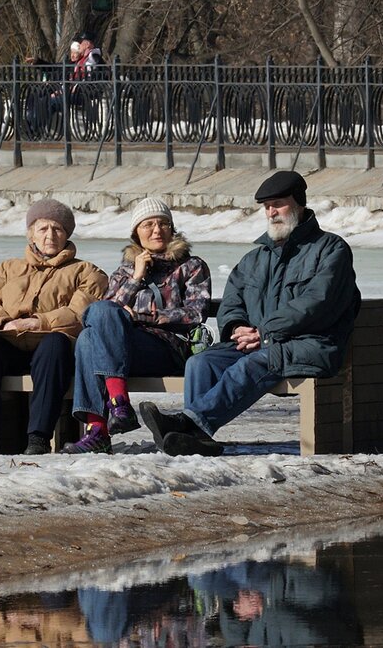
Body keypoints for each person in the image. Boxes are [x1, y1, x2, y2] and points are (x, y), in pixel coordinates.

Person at [138, 171, 360, 456]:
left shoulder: (330, 249)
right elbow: (233, 299)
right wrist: (236, 327)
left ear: (299, 204)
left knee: (252, 365)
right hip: (258, 344)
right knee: (201, 363)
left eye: (278, 204)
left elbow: (317, 302)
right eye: (267, 207)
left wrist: (265, 332)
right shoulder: (256, 258)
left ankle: (188, 425)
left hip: (310, 345)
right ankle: (198, 439)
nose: (271, 212)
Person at [61, 198, 211, 454]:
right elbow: (105, 313)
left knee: (92, 337)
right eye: (148, 225)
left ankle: (105, 421)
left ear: (171, 229)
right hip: (123, 351)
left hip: (168, 348)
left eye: (163, 224)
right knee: (89, 337)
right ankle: (112, 414)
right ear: (136, 233)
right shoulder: (125, 271)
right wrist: (136, 277)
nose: (156, 230)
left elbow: (196, 313)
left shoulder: (191, 266)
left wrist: (144, 317)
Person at [0, 199, 107, 455]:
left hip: (54, 350)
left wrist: (39, 321)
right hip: (10, 342)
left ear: (67, 235)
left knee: (55, 345)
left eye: (58, 229)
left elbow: (81, 312)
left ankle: (38, 438)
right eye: (43, 228)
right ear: (31, 232)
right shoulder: (8, 268)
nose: (50, 235)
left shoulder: (86, 271)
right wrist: (4, 322)